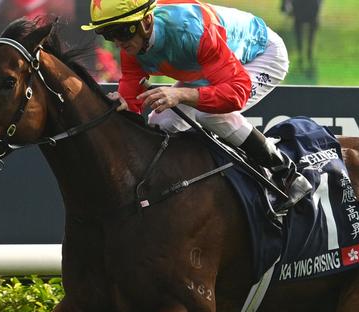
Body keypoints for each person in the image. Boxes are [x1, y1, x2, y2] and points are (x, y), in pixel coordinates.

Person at [81, 0, 312, 210]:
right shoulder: (132, 42)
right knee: (161, 122)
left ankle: (289, 175)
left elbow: (236, 94)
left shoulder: (189, 32)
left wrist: (181, 94)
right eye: (108, 34)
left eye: (122, 31)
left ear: (146, 21)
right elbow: (132, 87)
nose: (119, 42)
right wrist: (122, 101)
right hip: (213, 65)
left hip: (261, 55)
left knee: (209, 113)